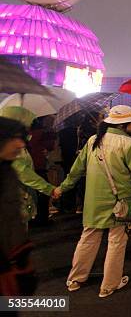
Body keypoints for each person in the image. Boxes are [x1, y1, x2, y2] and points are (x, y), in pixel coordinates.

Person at [55, 105, 131, 298]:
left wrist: (61, 188)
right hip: (120, 202)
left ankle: (75, 279)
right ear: (124, 124)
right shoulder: (128, 144)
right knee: (116, 241)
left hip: (93, 202)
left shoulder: (92, 141)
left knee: (88, 239)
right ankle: (109, 285)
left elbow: (76, 171)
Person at [0, 117, 41, 298]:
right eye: (14, 138)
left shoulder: (8, 171)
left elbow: (12, 220)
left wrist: (23, 259)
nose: (20, 144)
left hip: (10, 263)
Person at [0, 107, 58, 224]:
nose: (29, 127)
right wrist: (49, 189)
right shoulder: (8, 146)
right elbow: (23, 172)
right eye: (27, 124)